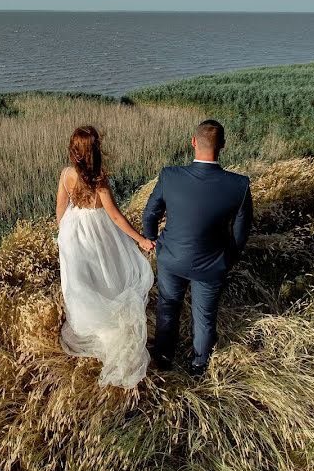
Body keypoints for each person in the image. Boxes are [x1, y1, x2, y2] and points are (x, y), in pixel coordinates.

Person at [142, 119, 253, 377]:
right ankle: (198, 366)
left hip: (171, 257)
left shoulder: (170, 176)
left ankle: (164, 358)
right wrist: (228, 259)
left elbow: (150, 214)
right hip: (212, 263)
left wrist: (153, 242)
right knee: (204, 317)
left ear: (193, 142)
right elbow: (241, 232)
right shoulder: (240, 185)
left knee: (168, 307)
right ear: (223, 145)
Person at [55, 125, 156, 388]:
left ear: (74, 151)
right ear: (95, 150)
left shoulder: (66, 174)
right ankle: (110, 332)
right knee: (108, 277)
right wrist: (141, 240)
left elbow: (60, 210)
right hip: (98, 233)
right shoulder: (99, 180)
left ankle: (90, 327)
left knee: (83, 283)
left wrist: (65, 236)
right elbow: (114, 216)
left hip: (74, 233)